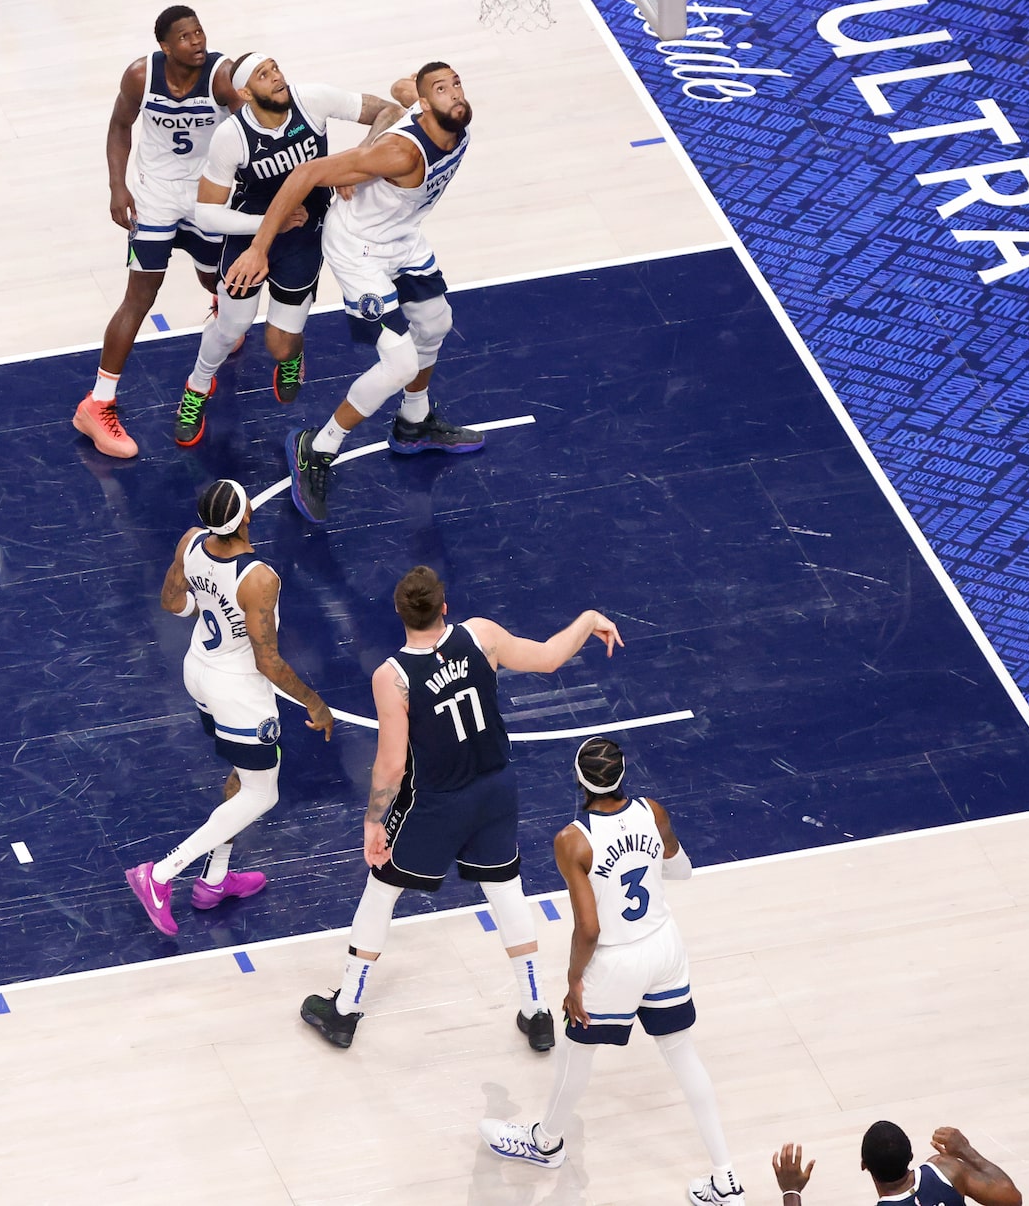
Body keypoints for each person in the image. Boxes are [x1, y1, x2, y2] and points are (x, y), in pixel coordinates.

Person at [298, 564, 620, 1053]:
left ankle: (344, 1011)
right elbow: (551, 658)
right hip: (494, 789)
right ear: (444, 607)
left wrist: (373, 821)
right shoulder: (482, 635)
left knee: (382, 889)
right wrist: (590, 617)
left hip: (437, 801)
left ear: (399, 614)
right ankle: (535, 1013)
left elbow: (390, 762)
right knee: (506, 888)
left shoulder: (394, 676)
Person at [480, 741, 746, 1206]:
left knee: (576, 1052)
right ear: (624, 774)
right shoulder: (652, 810)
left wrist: (572, 982)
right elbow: (680, 869)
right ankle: (725, 1179)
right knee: (683, 1055)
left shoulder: (573, 840)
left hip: (615, 960)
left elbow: (588, 927)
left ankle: (546, 1143)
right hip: (664, 947)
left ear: (578, 780)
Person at [226, 61, 477, 520]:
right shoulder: (402, 154)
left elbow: (401, 86)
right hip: (358, 248)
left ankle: (414, 423)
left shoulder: (450, 117)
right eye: (442, 89)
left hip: (400, 235)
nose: (455, 94)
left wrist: (413, 94)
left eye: (456, 85)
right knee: (400, 360)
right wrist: (260, 249)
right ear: (427, 104)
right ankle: (317, 448)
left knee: (437, 322)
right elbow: (305, 176)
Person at [124, 478, 333, 933]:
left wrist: (210, 605)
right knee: (264, 793)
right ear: (246, 516)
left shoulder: (190, 541)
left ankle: (215, 880)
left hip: (198, 670)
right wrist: (315, 704)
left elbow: (172, 602)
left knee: (243, 776)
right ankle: (160, 875)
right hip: (237, 690)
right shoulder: (259, 578)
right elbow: (268, 661)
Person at [171, 57, 400, 444]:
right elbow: (207, 214)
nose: (276, 76)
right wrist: (266, 225)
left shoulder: (312, 100)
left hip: (305, 234)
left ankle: (291, 356)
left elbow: (391, 110)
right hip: (249, 231)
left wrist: (359, 155)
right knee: (231, 327)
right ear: (245, 93)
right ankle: (197, 386)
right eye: (263, 75)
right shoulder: (232, 137)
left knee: (279, 345)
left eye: (275, 67)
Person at [74, 9, 242, 458]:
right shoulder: (140, 76)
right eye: (185, 37)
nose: (196, 41)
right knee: (140, 295)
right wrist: (117, 186)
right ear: (165, 46)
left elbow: (256, 129)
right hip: (155, 197)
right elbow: (119, 127)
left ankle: (221, 307)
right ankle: (98, 402)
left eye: (199, 32)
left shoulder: (222, 76)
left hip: (208, 194)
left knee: (216, 279)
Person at [770, 1124, 1022, 1206]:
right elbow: (1011, 1199)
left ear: (864, 1165)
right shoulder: (946, 1169)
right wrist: (966, 1151)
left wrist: (791, 1191)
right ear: (911, 1156)